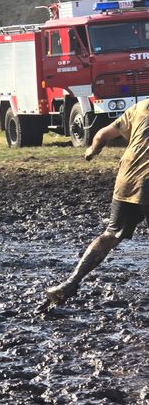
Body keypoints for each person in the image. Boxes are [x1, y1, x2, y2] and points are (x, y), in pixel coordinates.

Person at [46, 99, 149, 306]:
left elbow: (102, 135)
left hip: (127, 177)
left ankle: (70, 283)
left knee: (110, 234)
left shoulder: (141, 107)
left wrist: (92, 151)